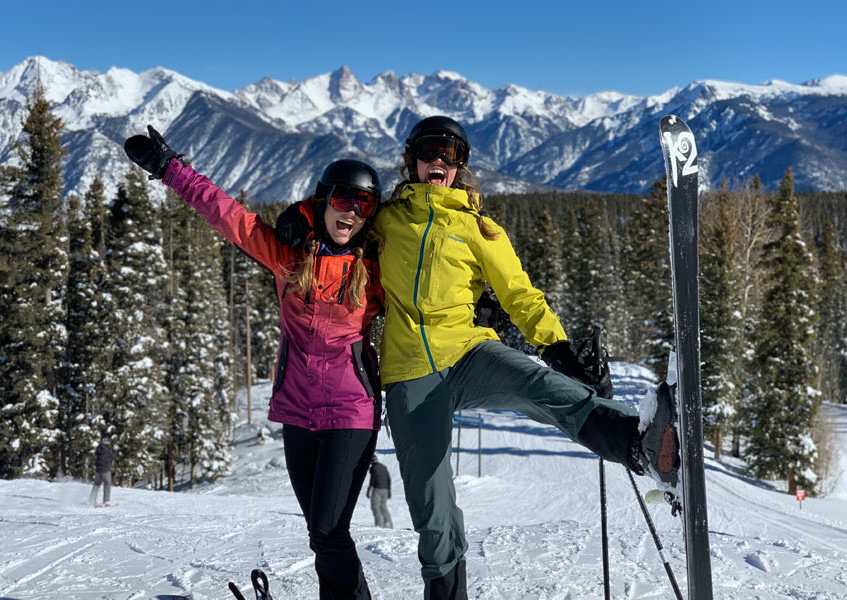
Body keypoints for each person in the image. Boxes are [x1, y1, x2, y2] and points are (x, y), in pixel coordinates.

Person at [275, 115, 678, 599]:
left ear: (461, 165)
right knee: (432, 507)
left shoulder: (479, 230)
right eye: (429, 151)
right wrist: (299, 216)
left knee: (542, 387)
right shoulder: (388, 219)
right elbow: (343, 210)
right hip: (410, 377)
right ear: (413, 160)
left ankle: (638, 444)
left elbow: (521, 296)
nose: (439, 162)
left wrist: (558, 347)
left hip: (468, 352)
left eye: (451, 154)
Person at [124, 126, 385, 600]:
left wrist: (480, 303)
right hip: (298, 412)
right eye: (343, 199)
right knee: (321, 534)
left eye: (364, 204)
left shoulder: (378, 271)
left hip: (352, 412)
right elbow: (227, 216)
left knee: (329, 530)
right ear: (324, 200)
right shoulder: (288, 256)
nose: (351, 211)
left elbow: (434, 281)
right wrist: (170, 169)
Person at [365, 455, 392, 528]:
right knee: (383, 506)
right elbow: (388, 479)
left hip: (377, 489)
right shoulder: (383, 467)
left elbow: (372, 481)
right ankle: (388, 523)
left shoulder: (373, 468)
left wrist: (368, 490)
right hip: (385, 490)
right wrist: (389, 490)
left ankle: (379, 524)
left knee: (375, 506)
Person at [89, 436, 115, 506]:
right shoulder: (107, 450)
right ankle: (106, 501)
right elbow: (113, 456)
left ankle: (92, 499)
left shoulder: (99, 448)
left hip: (98, 470)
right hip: (106, 469)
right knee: (107, 484)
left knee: (96, 484)